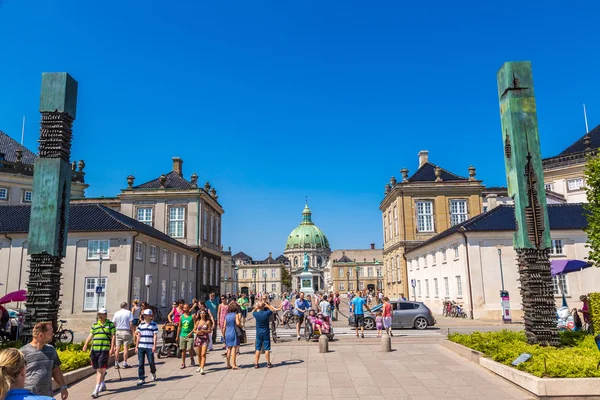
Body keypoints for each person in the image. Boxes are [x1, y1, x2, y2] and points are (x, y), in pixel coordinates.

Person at [20, 322, 68, 399]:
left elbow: (56, 370)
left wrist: (63, 386)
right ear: (41, 335)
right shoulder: (23, 352)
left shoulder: (51, 350)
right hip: (29, 396)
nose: (53, 334)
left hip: (46, 396)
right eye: (51, 332)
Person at [82, 308, 116, 398]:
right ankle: (103, 383)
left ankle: (96, 390)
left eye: (102, 314)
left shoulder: (110, 325)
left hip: (104, 350)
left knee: (100, 369)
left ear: (106, 315)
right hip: (95, 350)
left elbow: (113, 337)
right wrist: (86, 344)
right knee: (98, 369)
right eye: (99, 314)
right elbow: (91, 335)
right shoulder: (95, 325)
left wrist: (112, 348)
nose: (100, 316)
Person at [251, 301, 279, 369]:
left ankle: (256, 364)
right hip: (266, 332)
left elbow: (252, 311)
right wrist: (267, 304)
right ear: (264, 307)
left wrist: (257, 307)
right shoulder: (266, 313)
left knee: (258, 348)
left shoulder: (256, 314)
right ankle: (268, 363)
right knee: (267, 348)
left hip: (259, 332)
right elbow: (272, 310)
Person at [135, 309, 158, 386]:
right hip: (141, 346)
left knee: (151, 361)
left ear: (150, 316)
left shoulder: (154, 325)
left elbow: (155, 336)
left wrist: (154, 345)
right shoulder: (141, 325)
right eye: (144, 315)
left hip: (149, 346)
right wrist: (136, 346)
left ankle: (153, 371)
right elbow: (138, 335)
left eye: (146, 315)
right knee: (141, 363)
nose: (144, 316)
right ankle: (141, 378)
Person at [113, 302, 134, 368]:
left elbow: (114, 323)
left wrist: (114, 331)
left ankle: (116, 363)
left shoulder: (116, 313)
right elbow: (131, 323)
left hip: (118, 331)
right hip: (126, 331)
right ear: (126, 306)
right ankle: (125, 363)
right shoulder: (129, 313)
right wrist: (132, 331)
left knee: (117, 348)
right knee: (126, 348)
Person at [177, 303, 196, 369]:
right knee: (183, 350)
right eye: (184, 308)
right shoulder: (181, 317)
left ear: (189, 308)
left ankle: (191, 358)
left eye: (187, 308)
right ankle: (183, 363)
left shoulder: (192, 316)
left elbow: (196, 326)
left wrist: (191, 332)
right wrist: (177, 336)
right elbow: (179, 327)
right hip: (183, 335)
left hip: (190, 336)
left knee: (189, 348)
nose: (185, 309)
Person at [193, 310, 212, 374]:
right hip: (198, 338)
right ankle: (200, 365)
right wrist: (197, 332)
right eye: (201, 313)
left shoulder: (208, 322)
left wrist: (205, 331)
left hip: (205, 339)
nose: (202, 314)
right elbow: (194, 330)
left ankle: (202, 368)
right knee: (199, 354)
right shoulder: (198, 321)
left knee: (203, 354)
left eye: (203, 313)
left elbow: (210, 330)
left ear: (205, 314)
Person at [224, 301, 242, 369]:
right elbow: (237, 323)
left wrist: (223, 334)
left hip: (228, 332)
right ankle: (234, 364)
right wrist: (241, 325)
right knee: (234, 348)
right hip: (233, 332)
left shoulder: (227, 315)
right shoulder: (235, 315)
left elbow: (224, 326)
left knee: (228, 349)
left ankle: (228, 364)